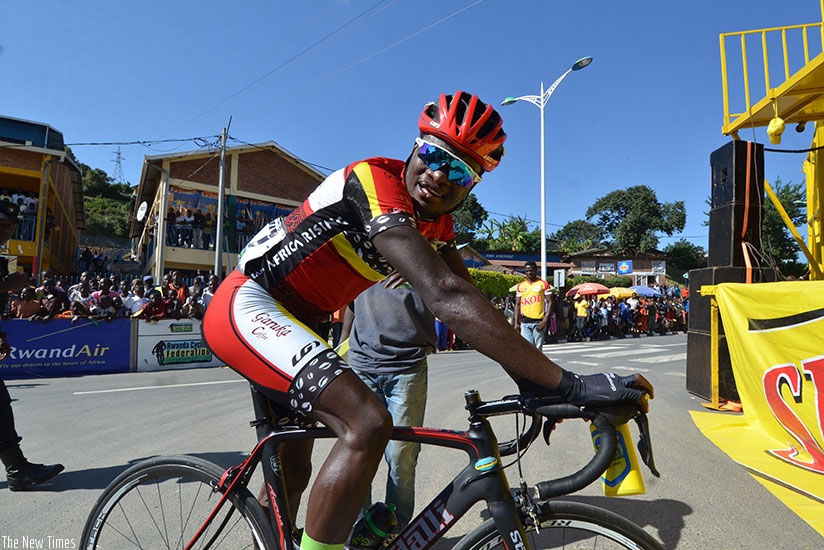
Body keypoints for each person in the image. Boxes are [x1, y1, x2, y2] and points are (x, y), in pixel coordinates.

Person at [202, 91, 652, 550]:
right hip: (250, 302)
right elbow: (445, 294)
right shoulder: (373, 181)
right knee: (367, 423)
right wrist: (570, 384)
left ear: (472, 186)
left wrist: (534, 383)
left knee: (292, 473)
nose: (438, 175)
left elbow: (473, 305)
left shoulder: (437, 226)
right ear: (415, 148)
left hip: (302, 321)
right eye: (434, 156)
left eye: (459, 171)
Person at [340, 277, 434, 531]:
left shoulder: (420, 256)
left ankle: (396, 530)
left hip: (407, 366)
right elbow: (352, 303)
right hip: (362, 366)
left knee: (401, 456)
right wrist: (341, 346)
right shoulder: (362, 258)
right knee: (359, 451)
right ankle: (360, 530)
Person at [0, 200, 63, 490]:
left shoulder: (3, 257)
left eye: (10, 226)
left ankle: (17, 469)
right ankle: (17, 470)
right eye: (1, 224)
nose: (6, 230)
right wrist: (6, 285)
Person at [513, 260, 553, 349]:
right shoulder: (520, 286)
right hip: (524, 323)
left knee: (537, 349)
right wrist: (516, 322)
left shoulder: (543, 284)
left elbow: (550, 302)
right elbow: (517, 304)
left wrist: (545, 320)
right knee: (528, 348)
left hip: (538, 322)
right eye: (527, 271)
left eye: (531, 270)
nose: (529, 273)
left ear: (536, 270)